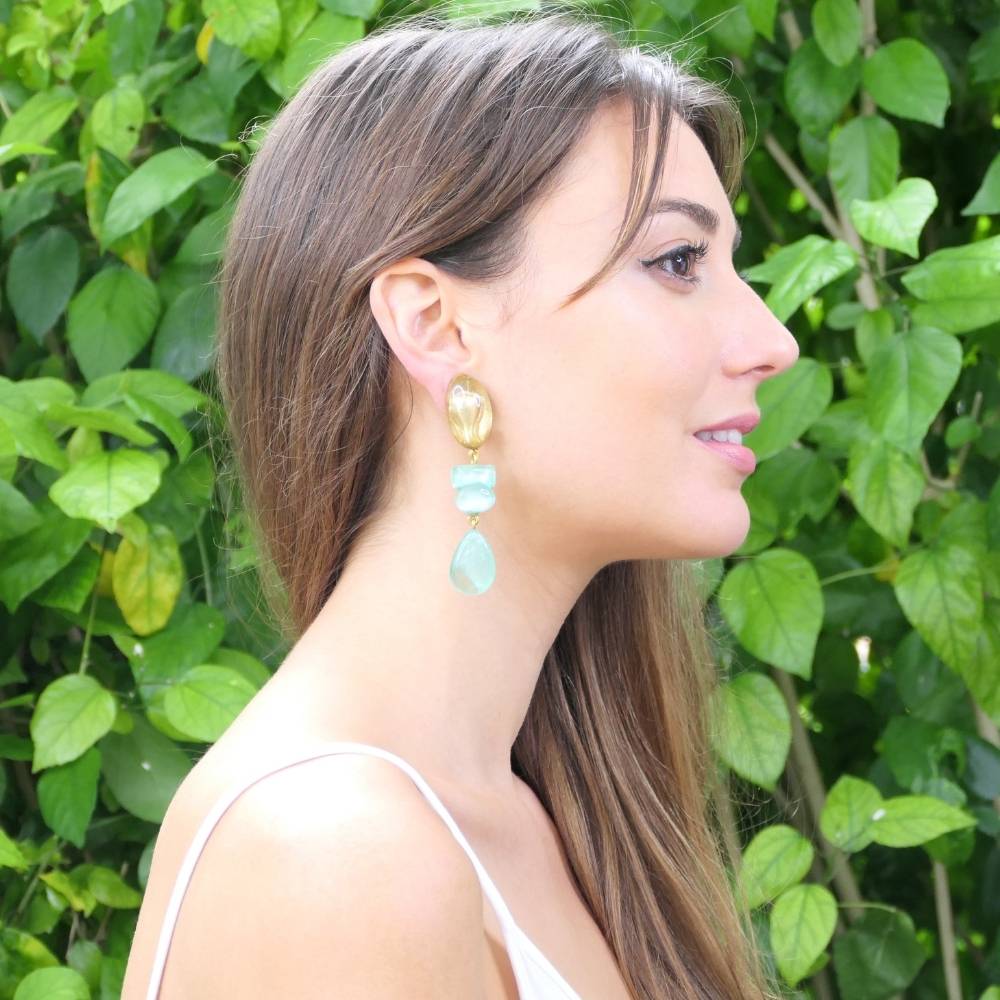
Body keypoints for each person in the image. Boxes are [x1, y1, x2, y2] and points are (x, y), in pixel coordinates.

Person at [122, 8, 799, 999]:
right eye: (676, 262)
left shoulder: (537, 813)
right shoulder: (338, 852)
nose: (772, 340)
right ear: (435, 326)